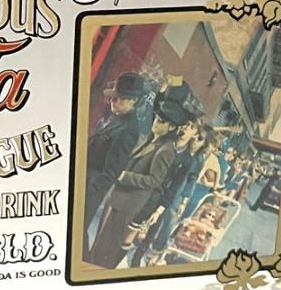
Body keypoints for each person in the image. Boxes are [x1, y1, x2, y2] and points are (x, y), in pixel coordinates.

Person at [88, 98, 190, 269]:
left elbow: (154, 181)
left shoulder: (166, 150)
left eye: (161, 121)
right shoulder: (153, 139)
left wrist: (124, 176)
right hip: (119, 197)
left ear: (172, 127)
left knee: (106, 250)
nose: (156, 122)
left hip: (128, 203)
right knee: (99, 245)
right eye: (157, 118)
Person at [127, 117, 205, 266]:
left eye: (191, 128)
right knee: (130, 226)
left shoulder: (190, 160)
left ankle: (138, 255)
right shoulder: (166, 142)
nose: (186, 128)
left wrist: (165, 207)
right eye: (186, 125)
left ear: (195, 134)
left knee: (152, 227)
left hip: (163, 196)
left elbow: (177, 185)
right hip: (142, 189)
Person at [83, 72, 149, 235]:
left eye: (119, 98)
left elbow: (111, 172)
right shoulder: (114, 117)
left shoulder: (128, 129)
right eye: (113, 96)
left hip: (89, 191)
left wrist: (88, 191)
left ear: (133, 100)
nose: (113, 100)